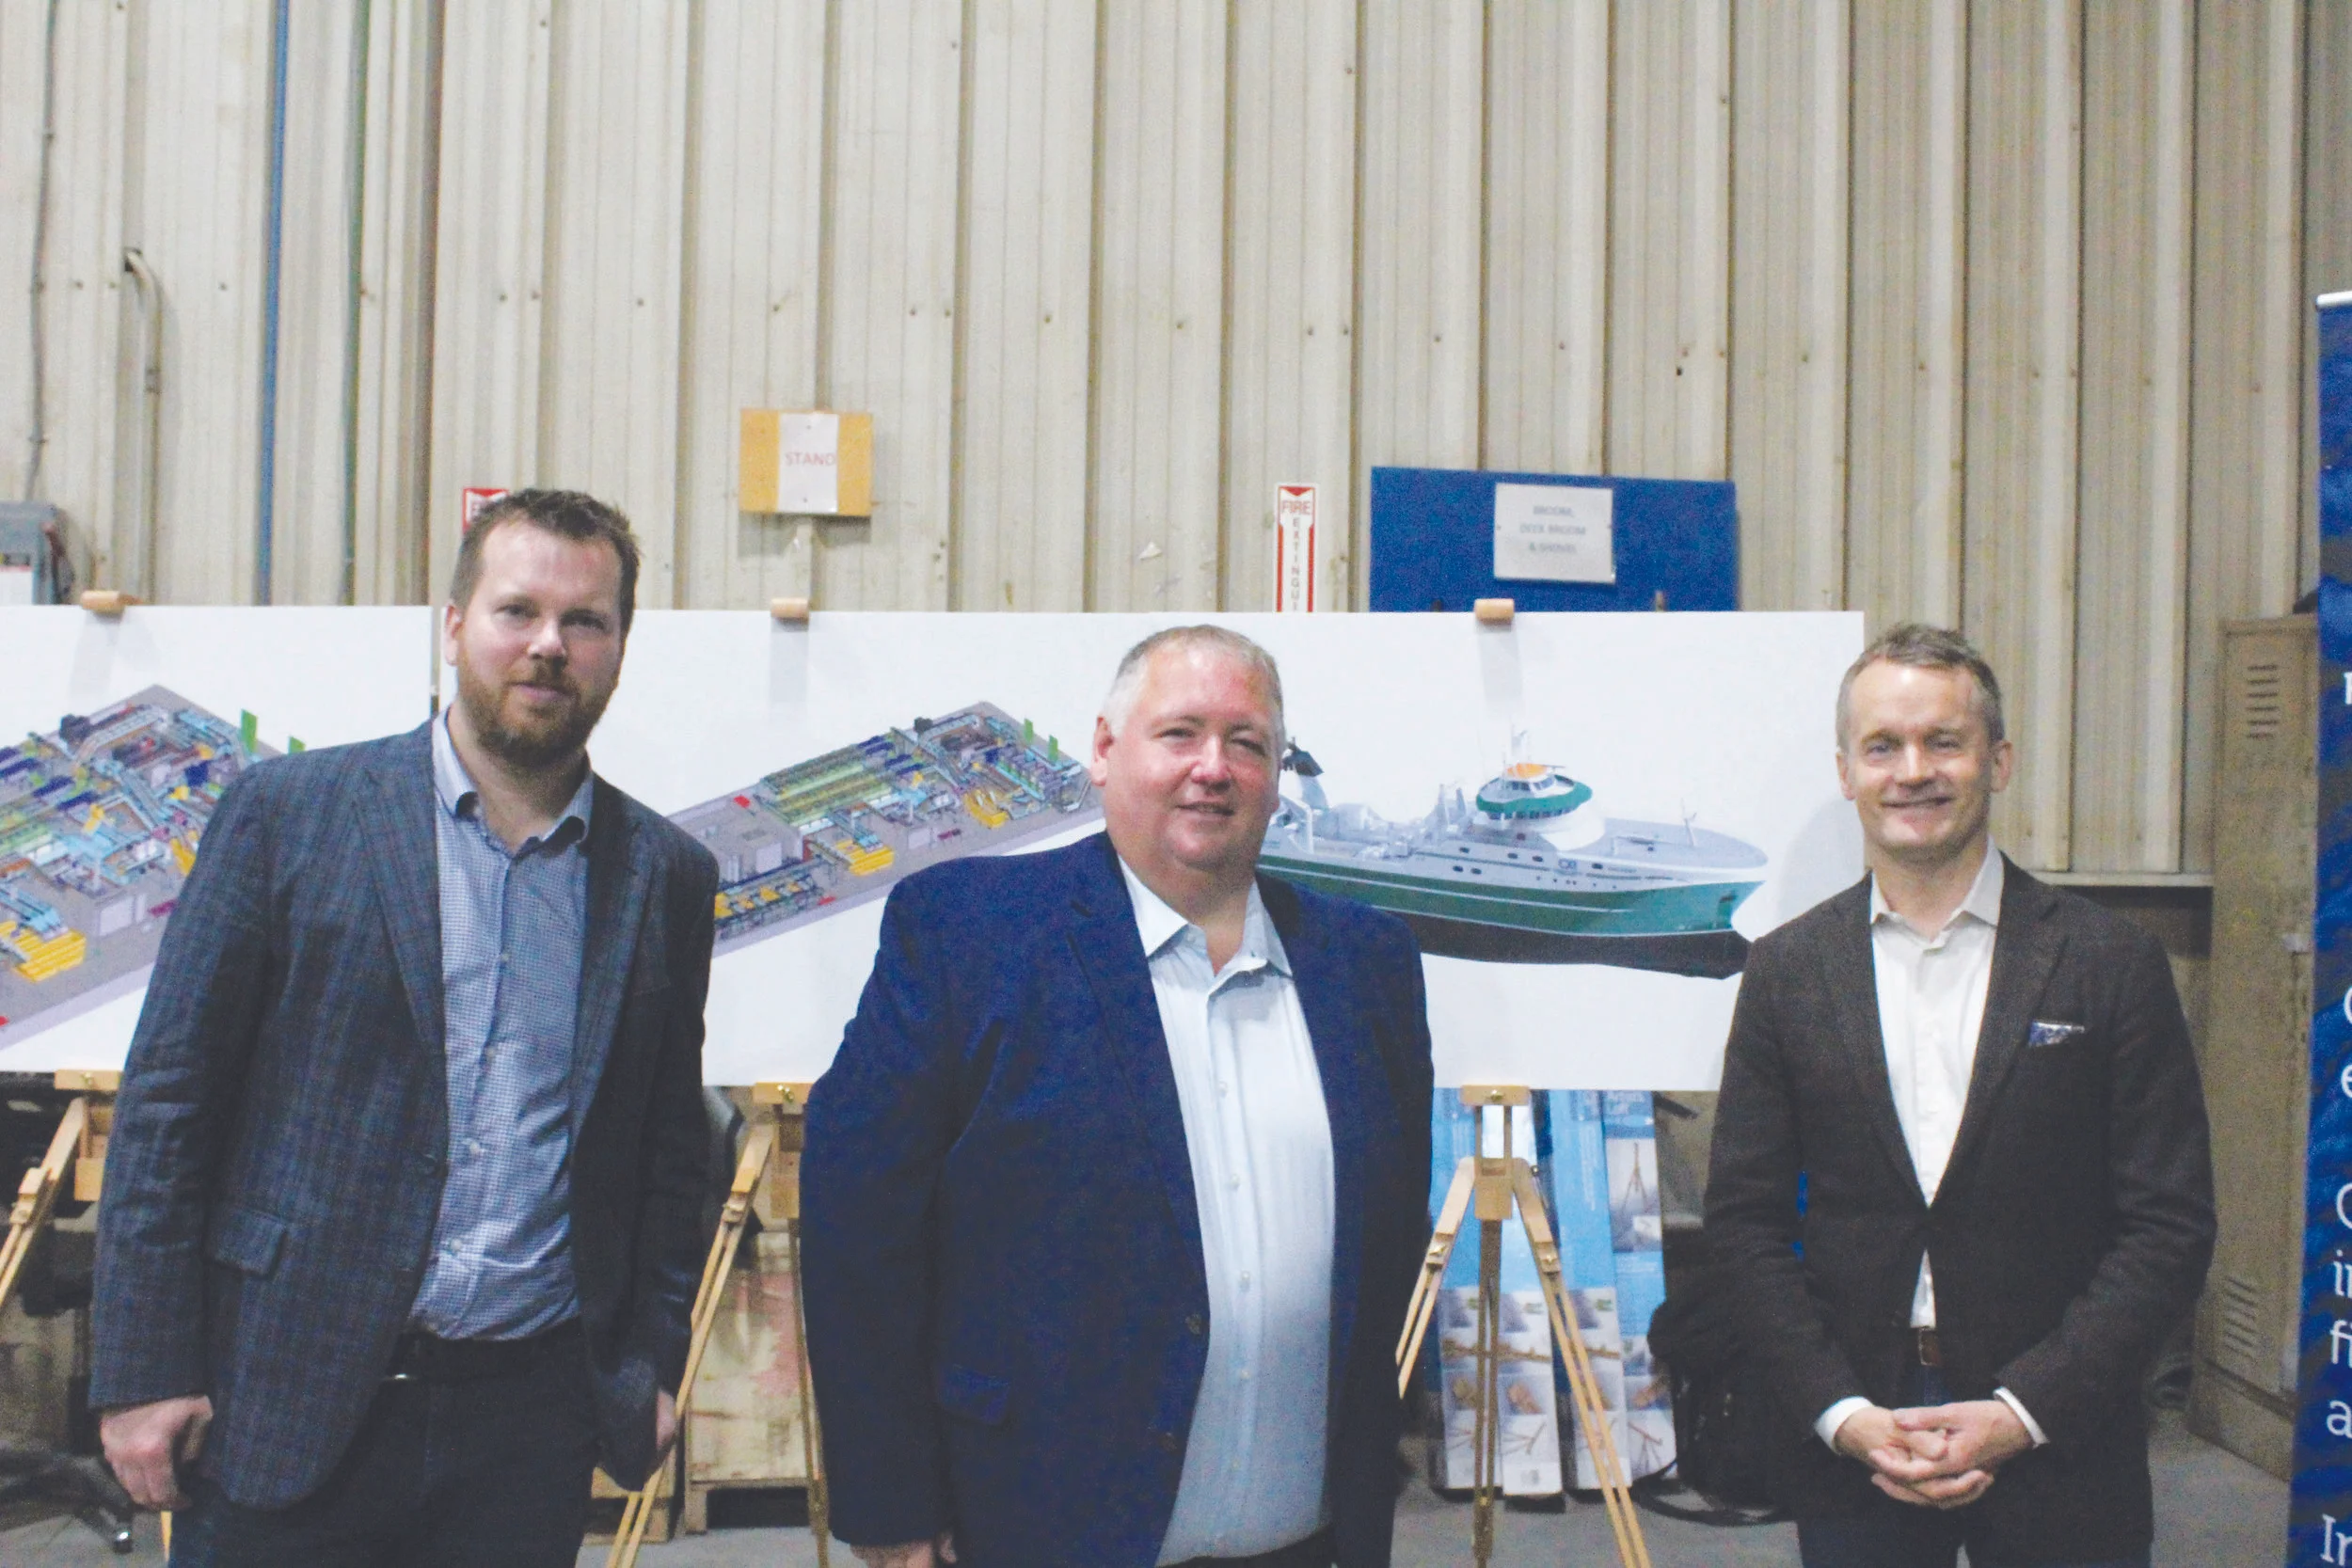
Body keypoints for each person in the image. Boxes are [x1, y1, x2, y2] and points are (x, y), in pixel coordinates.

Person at [90, 490, 720, 1567]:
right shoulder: (290, 814)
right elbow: (169, 1104)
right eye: (517, 610)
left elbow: (670, 1147)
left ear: (620, 646)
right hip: (283, 1395)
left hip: (526, 1420)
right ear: (454, 623)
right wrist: (145, 1365)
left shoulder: (662, 874)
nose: (548, 646)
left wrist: (650, 1362)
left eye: (586, 621)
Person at [803, 626, 1436, 1568]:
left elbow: (1386, 1242)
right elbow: (860, 1229)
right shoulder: (970, 936)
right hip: (1040, 1525)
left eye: (1247, 741)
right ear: (1104, 751)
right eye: (1179, 733)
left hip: (1305, 1538)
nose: (1212, 768)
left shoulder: (1367, 963)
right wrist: (889, 1497)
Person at [1706, 624, 2216, 1567]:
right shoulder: (1787, 970)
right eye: (1882, 745)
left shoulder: (2109, 962)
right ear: (1845, 771)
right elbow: (1742, 1221)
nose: (1913, 770)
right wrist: (1840, 1410)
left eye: (1943, 740)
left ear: (1998, 759)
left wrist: (2024, 1410)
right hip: (1860, 1428)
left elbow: (2168, 1222)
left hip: (2060, 1421)